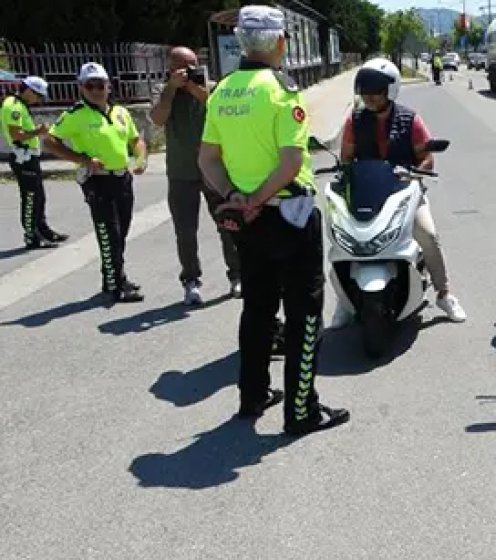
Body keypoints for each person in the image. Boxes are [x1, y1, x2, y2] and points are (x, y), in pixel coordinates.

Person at [198, 4, 350, 436]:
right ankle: (301, 411)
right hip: (288, 215)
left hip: (248, 222)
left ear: (242, 43)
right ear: (281, 42)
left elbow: (207, 158)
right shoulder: (281, 91)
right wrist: (258, 199)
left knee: (258, 308)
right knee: (304, 313)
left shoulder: (222, 91)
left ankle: (253, 394)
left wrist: (236, 198)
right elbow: (290, 162)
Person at [334, 57, 466, 324]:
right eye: (364, 89)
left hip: (404, 193)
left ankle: (444, 293)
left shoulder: (410, 120)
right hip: (367, 194)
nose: (368, 96)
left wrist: (415, 174)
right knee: (342, 239)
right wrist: (343, 175)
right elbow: (346, 158)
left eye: (375, 90)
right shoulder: (354, 121)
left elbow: (426, 157)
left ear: (391, 89)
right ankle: (344, 302)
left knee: (428, 234)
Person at [44, 62, 147, 303]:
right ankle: (115, 285)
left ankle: (114, 276)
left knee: (121, 232)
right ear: (81, 87)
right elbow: (49, 141)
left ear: (108, 86)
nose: (96, 90)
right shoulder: (76, 115)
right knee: (109, 234)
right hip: (98, 181)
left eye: (100, 85)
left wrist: (141, 159)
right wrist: (82, 160)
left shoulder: (120, 112)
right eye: (90, 85)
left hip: (122, 178)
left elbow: (136, 140)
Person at [150, 46, 242, 305]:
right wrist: (172, 89)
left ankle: (237, 275)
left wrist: (195, 89)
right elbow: (157, 119)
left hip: (213, 170)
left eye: (193, 65)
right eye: (183, 66)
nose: (189, 70)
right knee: (186, 232)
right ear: (170, 68)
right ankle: (191, 280)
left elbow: (222, 111)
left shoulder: (211, 88)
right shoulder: (163, 90)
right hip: (181, 172)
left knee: (228, 224)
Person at [3, 75, 68, 249]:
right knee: (31, 198)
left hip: (29, 156)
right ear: (29, 91)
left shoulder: (20, 105)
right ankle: (31, 236)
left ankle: (43, 231)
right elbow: (16, 134)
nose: (38, 100)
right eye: (38, 95)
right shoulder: (13, 106)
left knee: (39, 196)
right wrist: (37, 132)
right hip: (22, 157)